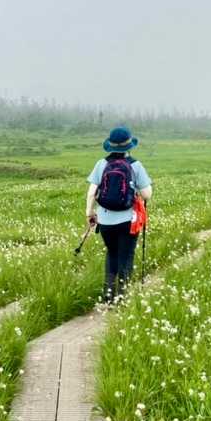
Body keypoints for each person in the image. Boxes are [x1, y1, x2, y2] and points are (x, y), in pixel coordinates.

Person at [86, 126, 153, 302]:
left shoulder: (101, 164)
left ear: (110, 145)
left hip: (105, 221)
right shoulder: (135, 165)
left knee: (112, 253)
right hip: (127, 221)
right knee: (126, 255)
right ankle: (122, 296)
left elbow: (91, 193)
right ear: (129, 146)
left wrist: (89, 213)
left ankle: (108, 294)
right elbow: (147, 195)